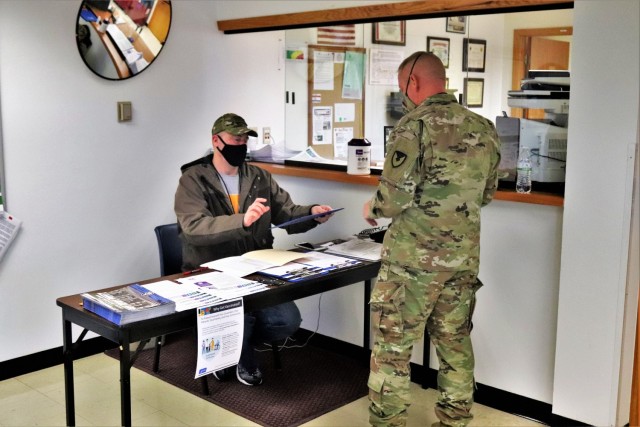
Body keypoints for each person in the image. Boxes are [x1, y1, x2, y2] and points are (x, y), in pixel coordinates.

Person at [362, 52, 501, 427]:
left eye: (401, 86)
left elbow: (392, 200)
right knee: (454, 341)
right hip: (462, 259)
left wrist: (372, 208)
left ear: (414, 83)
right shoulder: (484, 126)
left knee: (392, 348)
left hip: (412, 263)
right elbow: (486, 194)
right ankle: (455, 421)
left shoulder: (413, 126)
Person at [175, 113, 335, 386]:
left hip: (255, 268)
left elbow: (286, 213)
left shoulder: (259, 176)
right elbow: (194, 226)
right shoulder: (193, 179)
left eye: (244, 140)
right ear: (216, 141)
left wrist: (312, 213)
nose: (241, 145)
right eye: (235, 139)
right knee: (243, 313)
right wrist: (242, 221)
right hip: (212, 270)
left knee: (287, 321)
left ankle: (231, 348)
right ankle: (241, 356)